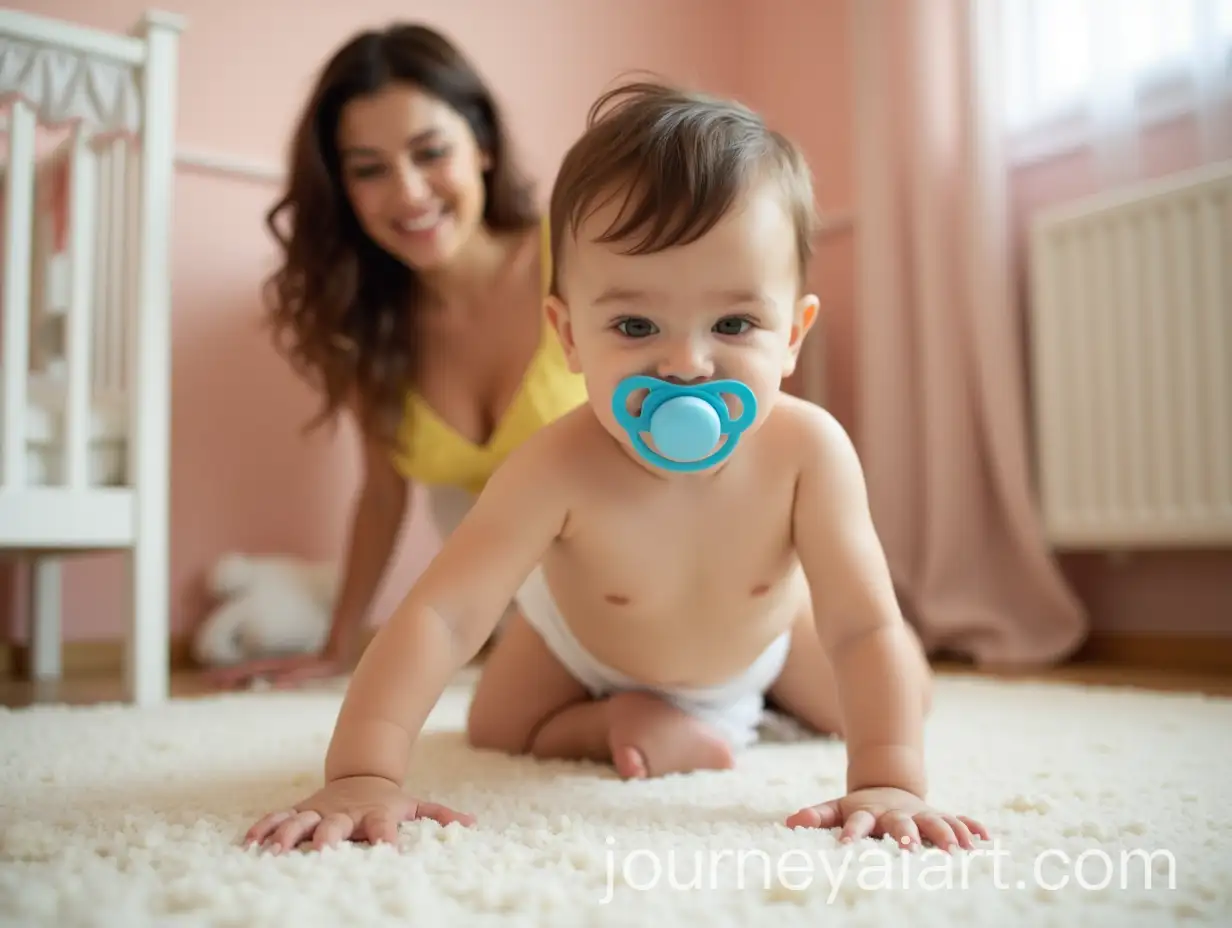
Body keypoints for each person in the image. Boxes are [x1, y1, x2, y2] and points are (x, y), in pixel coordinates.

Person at [242, 80, 986, 855]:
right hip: (581, 648)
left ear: (793, 333)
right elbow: (441, 616)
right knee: (496, 725)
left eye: (735, 323)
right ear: (567, 334)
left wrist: (887, 776)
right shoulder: (555, 465)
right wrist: (364, 772)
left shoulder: (810, 452)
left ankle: (744, 709)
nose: (688, 365)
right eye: (635, 324)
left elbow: (863, 625)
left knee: (899, 697)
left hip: (760, 641)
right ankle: (612, 722)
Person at [208, 22, 589, 689]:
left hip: (654, 571)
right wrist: (337, 647)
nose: (409, 192)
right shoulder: (368, 327)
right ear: (343, 191)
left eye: (430, 151)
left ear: (484, 146)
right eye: (369, 169)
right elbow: (383, 496)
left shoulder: (579, 252)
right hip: (527, 617)